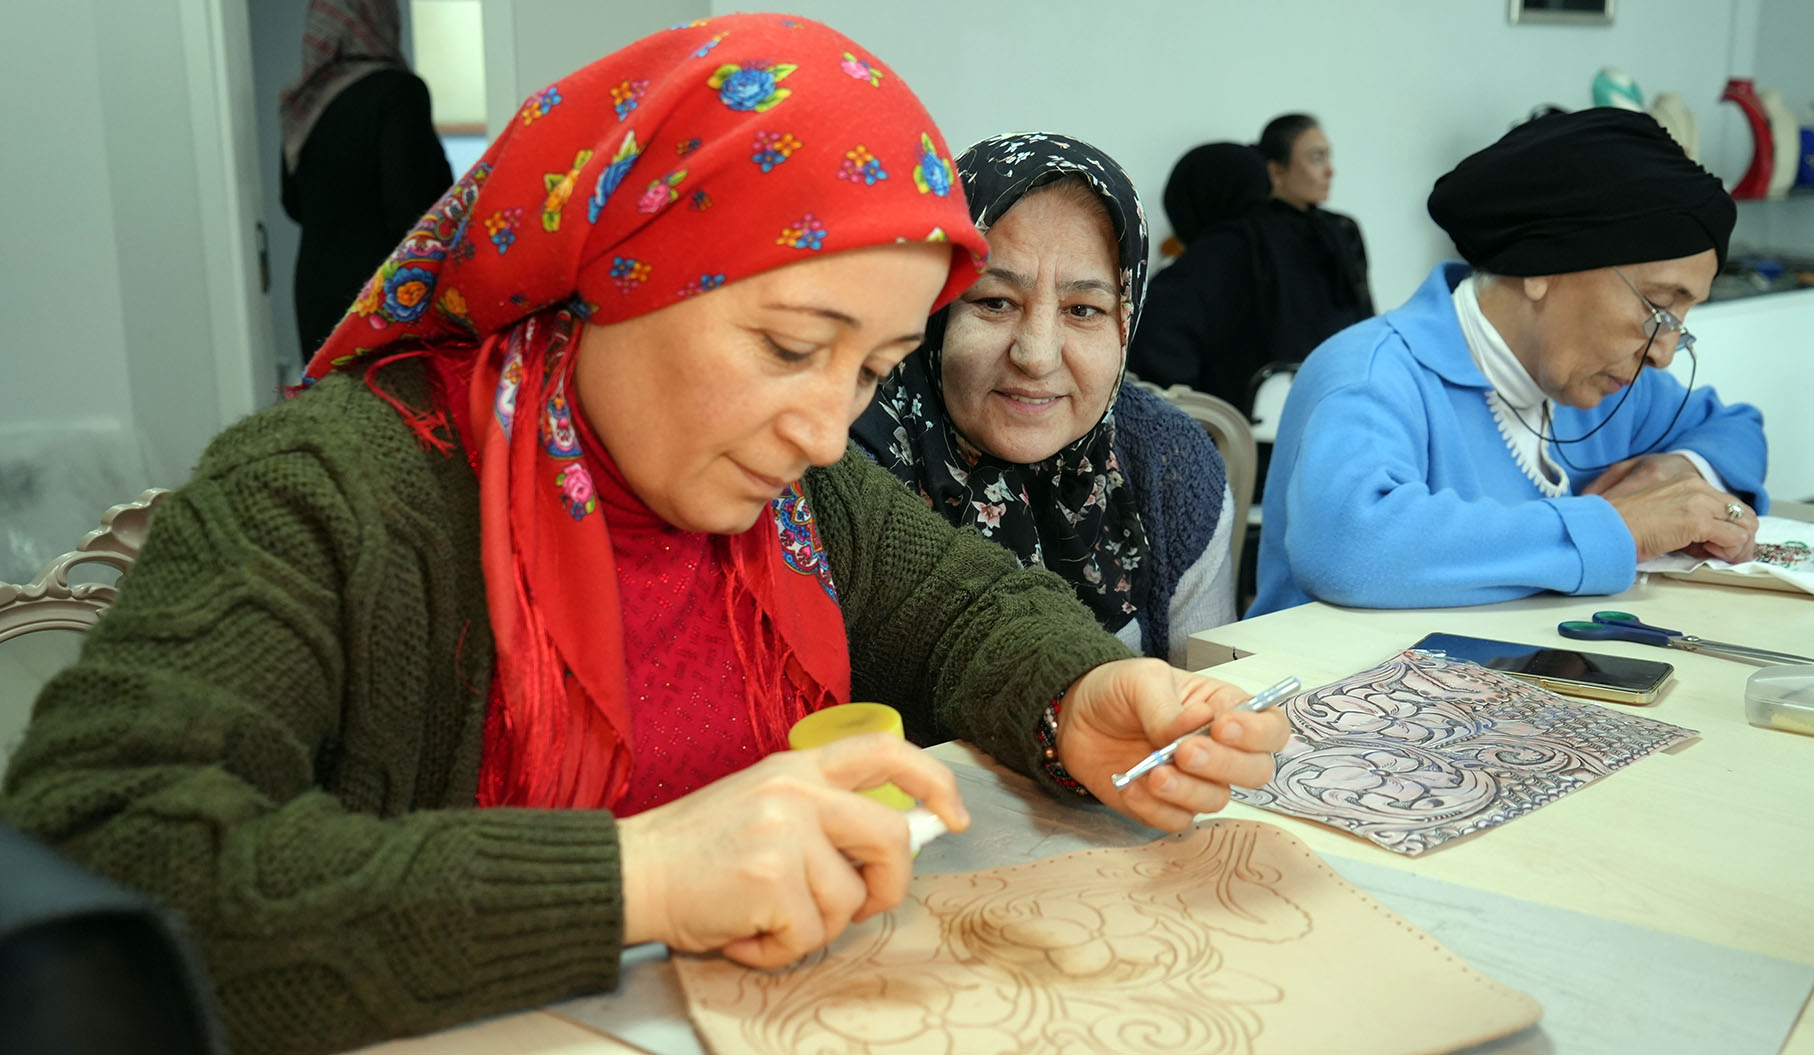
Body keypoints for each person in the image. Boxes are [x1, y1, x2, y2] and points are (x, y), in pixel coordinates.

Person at [1, 18, 1287, 1055]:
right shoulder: (334, 490)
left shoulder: (791, 495)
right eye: (791, 347)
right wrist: (637, 876)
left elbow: (959, 604)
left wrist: (1076, 693)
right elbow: (104, 853)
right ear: (617, 261)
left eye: (873, 365)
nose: (830, 429)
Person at [1251, 108, 1766, 616]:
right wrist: (1617, 526)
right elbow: (1350, 545)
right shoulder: (1372, 373)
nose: (1663, 352)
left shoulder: (1606, 384)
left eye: (1681, 319)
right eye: (1657, 307)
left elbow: (1735, 428)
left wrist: (1675, 472)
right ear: (1543, 267)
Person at [852, 133, 1237, 665]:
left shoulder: (1167, 463)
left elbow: (1206, 699)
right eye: (995, 301)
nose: (1036, 356)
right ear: (932, 309)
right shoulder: (848, 462)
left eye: (1083, 310)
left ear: (1126, 323)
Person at [1129, 117, 1372, 413]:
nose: (1330, 170)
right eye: (1316, 157)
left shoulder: (1212, 258)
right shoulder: (1333, 236)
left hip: (1238, 440)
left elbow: (1157, 354)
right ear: (1271, 173)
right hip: (1339, 416)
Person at [280, 0, 454, 356]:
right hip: (381, 297)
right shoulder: (398, 92)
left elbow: (292, 203)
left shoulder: (304, 102)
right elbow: (412, 211)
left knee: (327, 408)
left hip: (314, 292)